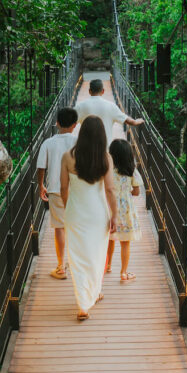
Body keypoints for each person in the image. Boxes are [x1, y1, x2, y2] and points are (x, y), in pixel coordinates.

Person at [60, 116, 118, 321]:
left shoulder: (67, 157)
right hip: (97, 214)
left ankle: (84, 301)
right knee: (96, 255)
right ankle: (89, 297)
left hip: (75, 213)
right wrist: (115, 215)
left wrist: (69, 209)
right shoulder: (106, 158)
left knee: (77, 257)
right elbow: (110, 190)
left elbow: (63, 189)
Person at [36, 107, 79, 280]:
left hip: (55, 188)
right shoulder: (79, 141)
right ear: (75, 125)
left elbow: (41, 167)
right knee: (77, 227)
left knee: (60, 227)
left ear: (57, 123)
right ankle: (78, 264)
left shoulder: (48, 143)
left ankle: (61, 267)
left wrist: (41, 185)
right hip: (76, 189)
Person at [105, 139, 142, 282]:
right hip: (126, 211)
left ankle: (108, 265)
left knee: (110, 239)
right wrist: (127, 193)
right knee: (125, 242)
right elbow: (137, 192)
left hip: (110, 208)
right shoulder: (131, 170)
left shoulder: (108, 171)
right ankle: (123, 272)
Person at [75, 78, 144, 145]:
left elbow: (69, 122)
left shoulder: (80, 106)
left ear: (89, 91)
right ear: (103, 91)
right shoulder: (111, 106)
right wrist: (138, 121)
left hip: (86, 148)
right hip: (105, 148)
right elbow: (129, 121)